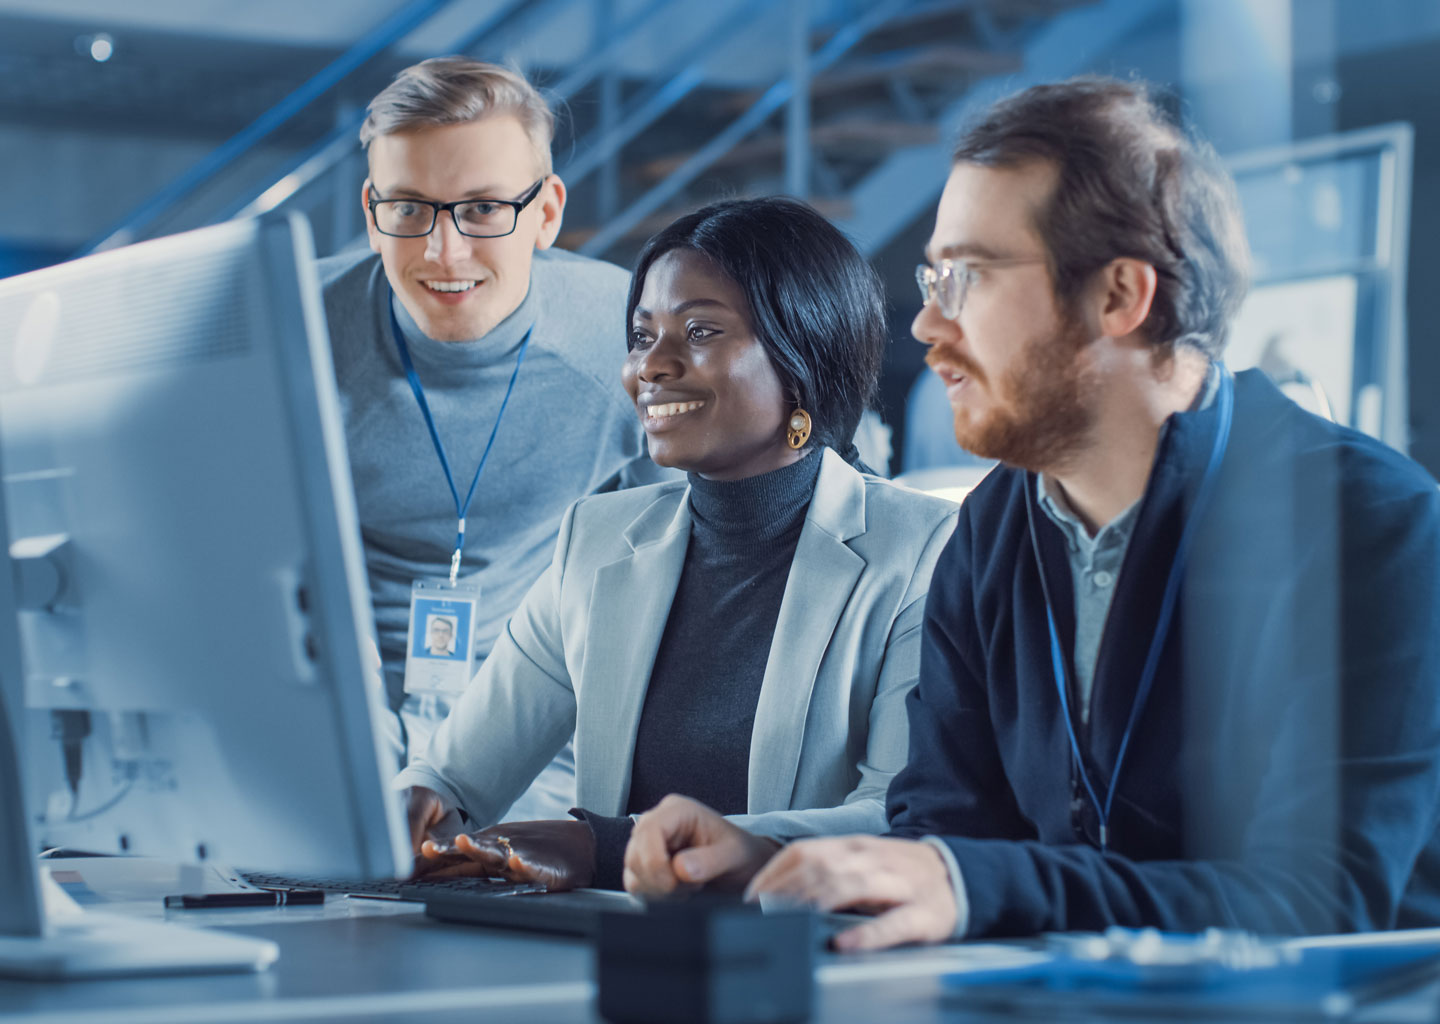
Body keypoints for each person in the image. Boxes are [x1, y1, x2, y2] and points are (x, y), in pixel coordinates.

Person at [623, 77, 1440, 949]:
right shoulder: (995, 526)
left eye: (966, 277)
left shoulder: (1371, 523)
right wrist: (779, 866)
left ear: (1121, 296)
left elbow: (1321, 900)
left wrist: (968, 883)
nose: (928, 326)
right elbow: (949, 835)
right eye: (931, 279)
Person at [394, 197, 959, 890]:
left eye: (699, 331)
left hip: (802, 963)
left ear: (803, 355)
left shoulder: (923, 550)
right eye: (641, 335)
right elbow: (456, 774)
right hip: (614, 958)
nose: (651, 366)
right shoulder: (596, 541)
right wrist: (418, 804)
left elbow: (896, 820)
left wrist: (605, 847)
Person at [318, 58, 669, 815]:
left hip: (526, 746)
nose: (444, 253)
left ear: (546, 213)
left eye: (482, 210)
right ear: (371, 206)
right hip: (322, 729)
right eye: (409, 209)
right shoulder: (290, 331)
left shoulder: (630, 340)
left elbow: (676, 576)